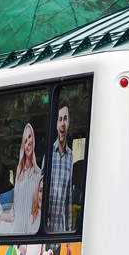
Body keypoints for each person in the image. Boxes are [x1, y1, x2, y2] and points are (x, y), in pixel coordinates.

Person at [0, 123, 42, 234]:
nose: (28, 141)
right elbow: (15, 214)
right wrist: (3, 217)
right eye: (25, 139)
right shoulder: (19, 172)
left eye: (30, 137)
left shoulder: (38, 174)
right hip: (17, 234)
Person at [46, 98, 73, 232]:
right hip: (46, 231)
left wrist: (68, 235)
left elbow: (68, 199)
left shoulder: (70, 156)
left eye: (65, 119)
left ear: (68, 122)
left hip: (61, 233)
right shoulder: (49, 154)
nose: (62, 123)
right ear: (56, 124)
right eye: (60, 119)